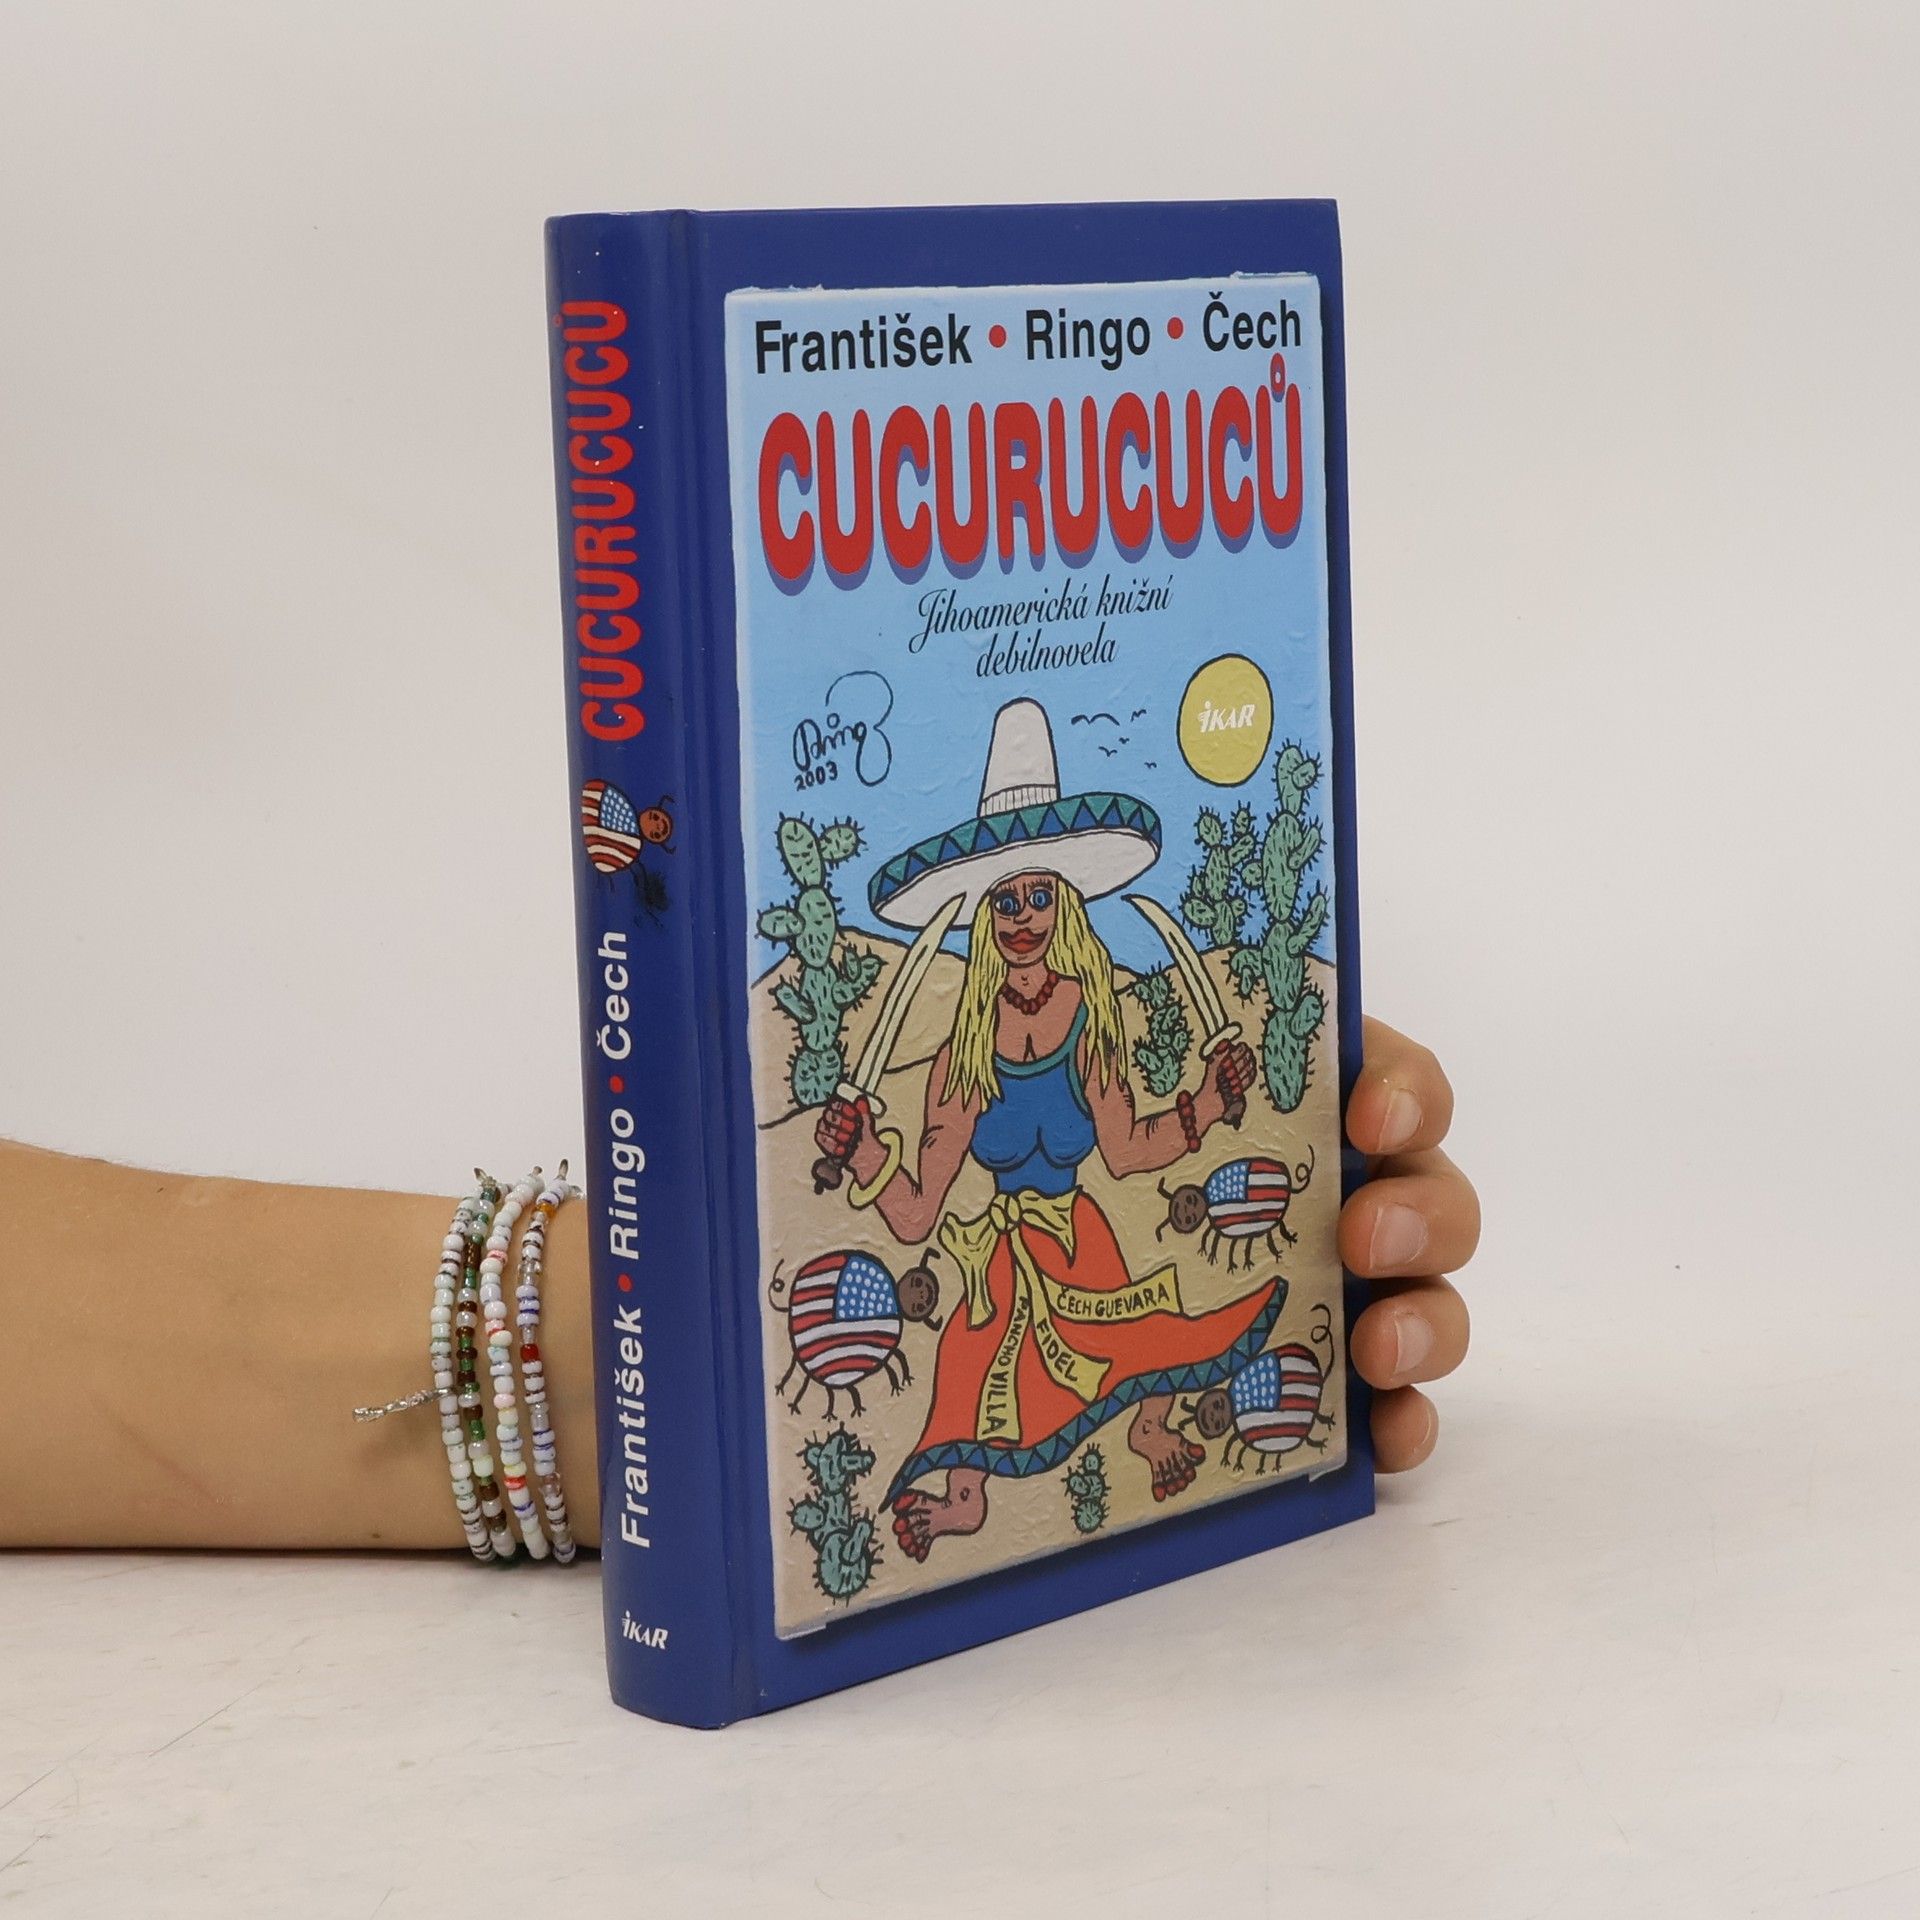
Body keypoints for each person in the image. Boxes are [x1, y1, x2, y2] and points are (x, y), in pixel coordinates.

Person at [3, 1001, 1473, 1552]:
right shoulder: (961, 1072)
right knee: (967, 1412)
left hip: (1092, 1248)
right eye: (1007, 908)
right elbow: (917, 1199)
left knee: (1171, 1341)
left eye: (1046, 905)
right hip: (981, 1274)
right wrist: (855, 1162)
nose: (1027, 931)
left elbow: (1141, 1143)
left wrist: (1221, 1107)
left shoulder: (1089, 1039)